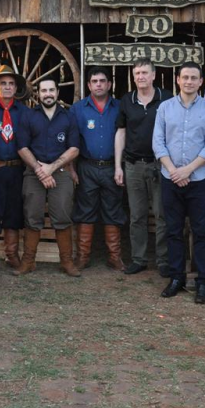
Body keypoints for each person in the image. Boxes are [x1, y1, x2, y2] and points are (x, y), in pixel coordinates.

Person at [153, 62, 205, 304]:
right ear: (178, 80)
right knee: (173, 230)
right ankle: (176, 278)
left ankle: (202, 281)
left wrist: (188, 170)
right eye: (185, 77)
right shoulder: (165, 108)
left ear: (201, 81)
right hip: (170, 179)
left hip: (198, 179)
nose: (189, 81)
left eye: (194, 77)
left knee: (200, 231)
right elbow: (158, 143)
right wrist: (173, 171)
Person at [15, 78, 80, 276]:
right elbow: (22, 147)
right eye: (44, 91)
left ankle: (66, 262)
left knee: (62, 215)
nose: (48, 94)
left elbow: (74, 148)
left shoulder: (68, 117)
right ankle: (28, 262)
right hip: (34, 173)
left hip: (60, 173)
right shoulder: (28, 116)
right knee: (32, 216)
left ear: (58, 92)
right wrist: (39, 170)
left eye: (51, 90)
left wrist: (51, 168)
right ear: (38, 94)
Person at [115, 58, 173, 276]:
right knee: (137, 215)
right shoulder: (126, 101)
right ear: (133, 76)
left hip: (160, 165)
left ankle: (163, 260)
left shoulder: (166, 98)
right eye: (137, 73)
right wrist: (118, 167)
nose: (140, 77)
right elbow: (121, 132)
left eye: (144, 73)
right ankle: (138, 259)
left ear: (153, 75)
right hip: (133, 164)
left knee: (161, 214)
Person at [70, 67, 126, 271]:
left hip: (113, 167)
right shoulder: (78, 109)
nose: (99, 84)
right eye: (95, 81)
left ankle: (115, 257)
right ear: (89, 85)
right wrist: (72, 169)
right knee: (85, 210)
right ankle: (83, 257)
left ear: (109, 84)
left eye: (103, 81)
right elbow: (72, 140)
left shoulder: (120, 107)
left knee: (113, 210)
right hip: (87, 166)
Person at [0, 65, 28, 269]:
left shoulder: (24, 112)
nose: (8, 87)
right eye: (3, 83)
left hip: (17, 169)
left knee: (13, 211)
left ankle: (12, 254)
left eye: (11, 83)